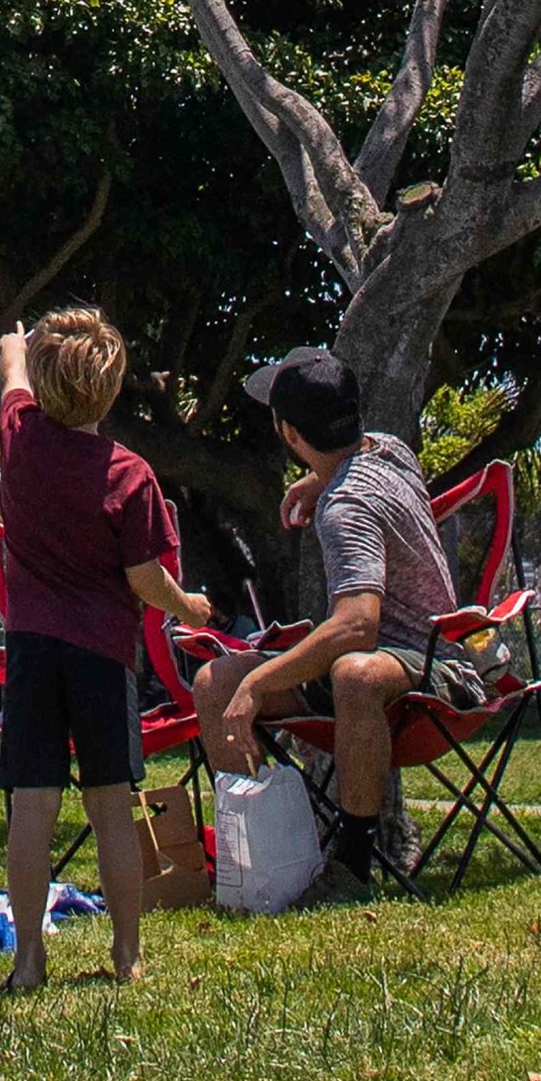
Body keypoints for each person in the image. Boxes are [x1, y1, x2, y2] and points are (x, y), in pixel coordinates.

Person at [0, 307, 216, 990]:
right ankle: (127, 953)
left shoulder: (20, 440)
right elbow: (144, 579)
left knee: (31, 809)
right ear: (112, 389)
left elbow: (9, 374)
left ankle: (28, 957)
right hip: (101, 656)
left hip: (31, 652)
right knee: (111, 808)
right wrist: (188, 606)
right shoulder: (129, 473)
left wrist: (15, 346)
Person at [190, 346, 457, 903]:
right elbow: (368, 447)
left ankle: (352, 865)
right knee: (215, 683)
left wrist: (259, 684)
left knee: (352, 672)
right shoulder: (393, 453)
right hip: (390, 663)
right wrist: (320, 478)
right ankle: (258, 862)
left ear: (288, 433)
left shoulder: (347, 507)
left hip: (436, 669)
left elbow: (358, 625)